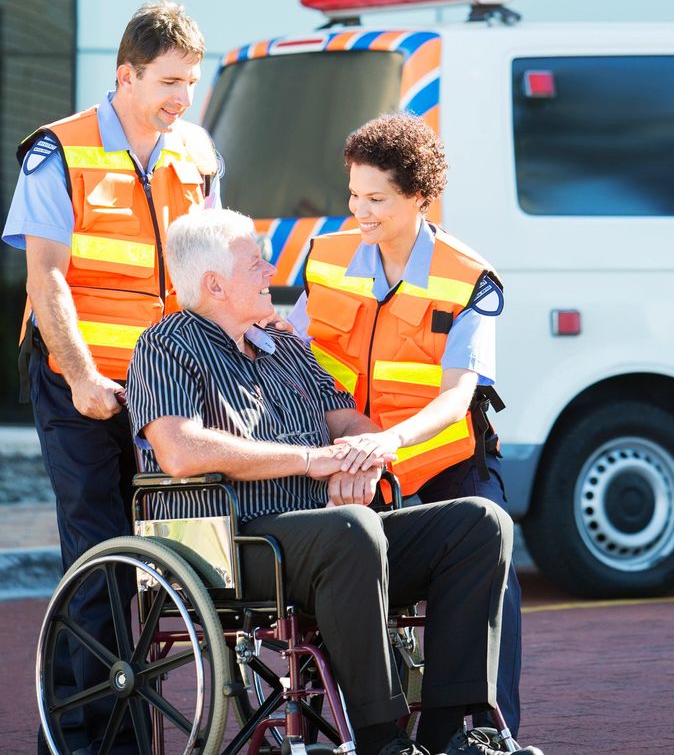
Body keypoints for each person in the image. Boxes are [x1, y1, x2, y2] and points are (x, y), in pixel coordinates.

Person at [126, 207, 533, 755]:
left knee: (479, 523)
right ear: (214, 284)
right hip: (235, 540)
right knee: (352, 530)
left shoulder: (283, 345)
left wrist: (362, 458)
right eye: (255, 264)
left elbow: (345, 419)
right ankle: (382, 738)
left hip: (327, 536)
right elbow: (178, 449)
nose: (271, 271)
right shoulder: (164, 344)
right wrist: (311, 461)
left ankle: (449, 731)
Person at [2, 0, 221, 755]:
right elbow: (46, 278)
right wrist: (85, 374)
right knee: (99, 563)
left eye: (191, 82)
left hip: (165, 389)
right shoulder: (57, 151)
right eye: (168, 81)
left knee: (169, 567)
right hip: (80, 385)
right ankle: (95, 741)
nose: (182, 99)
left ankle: (89, 735)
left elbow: (210, 273)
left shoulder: (194, 152)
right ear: (124, 74)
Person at [287, 111, 522, 737]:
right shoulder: (324, 258)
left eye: (377, 199)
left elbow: (457, 397)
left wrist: (388, 442)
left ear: (418, 196)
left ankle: (472, 732)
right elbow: (295, 362)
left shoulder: (468, 277)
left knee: (491, 559)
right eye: (354, 195)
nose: (360, 212)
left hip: (442, 460)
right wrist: (344, 452)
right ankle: (347, 729)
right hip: (347, 455)